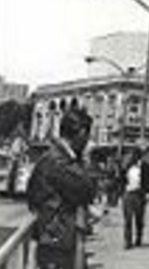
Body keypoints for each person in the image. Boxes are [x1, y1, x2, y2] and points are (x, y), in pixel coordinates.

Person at [26, 106, 96, 269]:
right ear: (81, 133)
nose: (88, 141)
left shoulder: (53, 157)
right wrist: (86, 158)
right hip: (57, 241)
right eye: (87, 135)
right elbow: (86, 189)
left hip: (54, 237)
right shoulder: (59, 161)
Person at [121, 145, 149, 248]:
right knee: (128, 218)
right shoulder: (127, 166)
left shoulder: (145, 166)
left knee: (139, 218)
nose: (131, 157)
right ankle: (128, 241)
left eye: (133, 154)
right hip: (128, 193)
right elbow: (121, 179)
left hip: (139, 194)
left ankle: (138, 238)